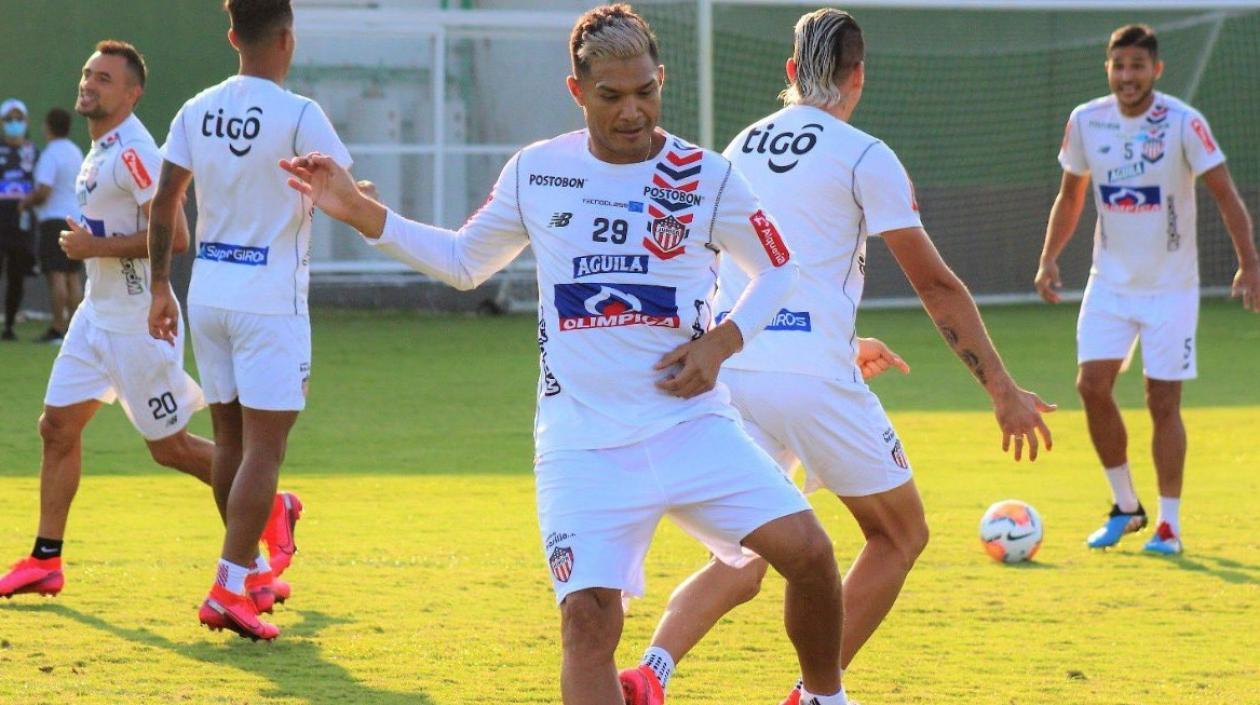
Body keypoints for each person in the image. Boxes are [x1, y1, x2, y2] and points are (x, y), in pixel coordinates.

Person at [280, 5, 857, 703]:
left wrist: (723, 342)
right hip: (582, 443)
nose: (631, 111)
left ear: (662, 80)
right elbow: (464, 261)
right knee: (588, 623)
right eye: (611, 96)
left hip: (691, 426)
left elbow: (779, 268)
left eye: (645, 91)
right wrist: (359, 211)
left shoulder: (705, 176)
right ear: (577, 91)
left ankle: (823, 697)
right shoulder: (538, 172)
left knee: (812, 555)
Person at [616, 9, 1055, 704]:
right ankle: (813, 692)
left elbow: (730, 270)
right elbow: (936, 286)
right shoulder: (864, 154)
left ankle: (650, 671)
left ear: (791, 71)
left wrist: (840, 340)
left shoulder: (740, 145)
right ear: (858, 77)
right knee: (898, 534)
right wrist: (1001, 388)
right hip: (813, 382)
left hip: (733, 374)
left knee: (742, 553)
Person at [0, 41, 300, 615]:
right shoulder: (99, 148)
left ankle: (268, 515)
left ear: (132, 93)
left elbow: (176, 236)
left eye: (104, 79)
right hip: (95, 316)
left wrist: (95, 247)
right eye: (87, 73)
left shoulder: (136, 151)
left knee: (170, 448)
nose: (89, 84)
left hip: (139, 325)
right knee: (56, 427)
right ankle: (45, 559)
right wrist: (93, 246)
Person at [147, 0, 346, 642]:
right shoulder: (300, 114)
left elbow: (164, 202)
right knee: (265, 450)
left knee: (230, 444)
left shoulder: (196, 108)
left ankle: (255, 572)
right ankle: (228, 586)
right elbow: (344, 195)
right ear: (288, 38)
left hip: (208, 293)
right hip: (270, 300)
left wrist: (159, 287)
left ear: (233, 36)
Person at [1035, 24, 1259, 556]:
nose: (1127, 76)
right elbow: (1071, 196)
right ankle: (1125, 506)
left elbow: (1225, 194)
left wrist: (1250, 264)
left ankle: (1169, 525)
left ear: (1156, 70)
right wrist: (1048, 257)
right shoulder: (1086, 121)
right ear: (1107, 69)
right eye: (1119, 66)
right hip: (1108, 284)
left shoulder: (1184, 122)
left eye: (1137, 66)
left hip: (1170, 290)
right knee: (1091, 386)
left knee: (1162, 402)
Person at [22, 107, 85, 343]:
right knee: (72, 275)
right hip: (76, 218)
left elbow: (44, 190)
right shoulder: (76, 152)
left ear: (48, 127)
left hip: (54, 220)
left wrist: (26, 202)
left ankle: (58, 327)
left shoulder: (50, 154)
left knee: (56, 274)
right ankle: (75, 329)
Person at [0, 97, 38, 341]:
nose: (14, 123)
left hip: (22, 223)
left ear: (26, 121)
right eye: (9, 119)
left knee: (16, 276)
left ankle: (9, 326)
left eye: (18, 118)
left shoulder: (33, 152)